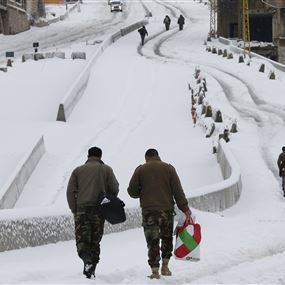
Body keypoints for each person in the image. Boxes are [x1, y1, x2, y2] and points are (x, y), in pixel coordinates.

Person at [127, 148, 192, 279]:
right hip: (166, 211)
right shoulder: (169, 169)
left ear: (146, 158)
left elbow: (132, 192)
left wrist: (142, 190)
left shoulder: (140, 170)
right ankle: (166, 267)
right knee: (166, 238)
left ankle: (155, 271)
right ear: (158, 156)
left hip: (149, 212)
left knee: (152, 241)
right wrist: (185, 208)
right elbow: (178, 191)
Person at [66, 146, 119, 279]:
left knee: (82, 240)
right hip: (99, 210)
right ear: (100, 156)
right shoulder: (106, 169)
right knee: (95, 241)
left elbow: (70, 192)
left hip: (82, 210)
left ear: (88, 156)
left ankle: (87, 261)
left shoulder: (78, 171)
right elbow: (115, 188)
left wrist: (75, 209)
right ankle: (91, 269)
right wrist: (106, 201)